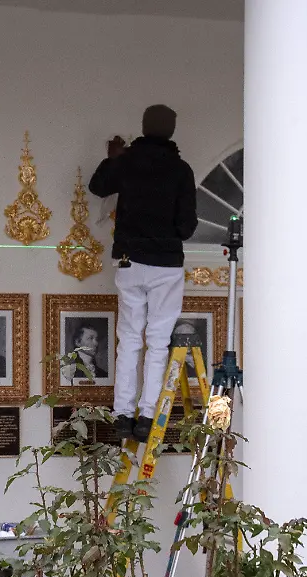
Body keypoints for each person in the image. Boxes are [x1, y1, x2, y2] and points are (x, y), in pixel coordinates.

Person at [89, 103, 198, 442]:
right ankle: (148, 416)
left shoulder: (127, 162)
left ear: (143, 126)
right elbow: (187, 226)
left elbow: (97, 186)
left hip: (128, 260)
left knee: (130, 339)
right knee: (158, 342)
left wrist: (113, 157)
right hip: (165, 264)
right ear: (172, 131)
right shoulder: (181, 170)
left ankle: (123, 414)